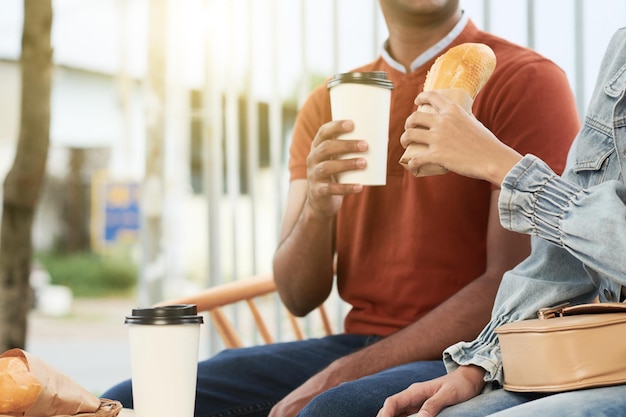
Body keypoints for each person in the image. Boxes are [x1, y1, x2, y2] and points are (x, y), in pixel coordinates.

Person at [102, 1, 580, 416]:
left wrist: (342, 374)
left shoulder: (524, 80)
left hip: (475, 355)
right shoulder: (327, 105)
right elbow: (297, 295)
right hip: (361, 343)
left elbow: (516, 283)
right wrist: (317, 207)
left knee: (333, 407)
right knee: (128, 399)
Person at [377, 26, 626, 417]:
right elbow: (565, 258)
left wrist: (501, 163)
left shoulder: (530, 78)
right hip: (604, 355)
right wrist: (479, 363)